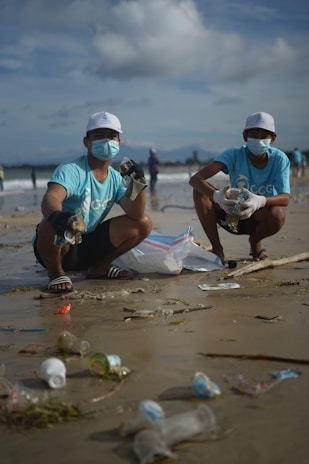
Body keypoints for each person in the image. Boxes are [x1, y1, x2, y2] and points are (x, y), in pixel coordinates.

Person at [33, 111, 152, 293]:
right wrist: (57, 216)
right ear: (86, 142)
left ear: (119, 142)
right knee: (47, 225)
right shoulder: (71, 169)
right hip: (60, 243)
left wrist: (139, 183)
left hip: (88, 244)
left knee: (144, 224)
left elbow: (135, 214)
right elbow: (52, 197)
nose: (106, 141)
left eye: (112, 136)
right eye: (98, 136)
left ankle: (100, 267)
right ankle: (56, 273)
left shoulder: (115, 177)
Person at [189, 112, 290, 264]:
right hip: (233, 215)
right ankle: (217, 249)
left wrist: (260, 201)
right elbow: (195, 180)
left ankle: (255, 241)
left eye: (264, 136)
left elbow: (285, 198)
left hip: (260, 217)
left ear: (273, 138)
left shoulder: (279, 159)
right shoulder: (234, 155)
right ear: (244, 136)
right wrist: (218, 197)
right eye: (254, 135)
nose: (259, 140)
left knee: (278, 214)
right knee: (200, 192)